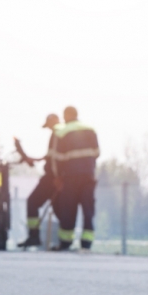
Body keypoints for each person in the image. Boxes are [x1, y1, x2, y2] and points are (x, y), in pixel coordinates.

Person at [50, 106, 99, 250]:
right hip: (88, 176)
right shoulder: (91, 129)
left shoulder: (61, 132)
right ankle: (86, 243)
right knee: (88, 209)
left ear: (65, 116)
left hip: (70, 177)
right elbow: (96, 153)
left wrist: (58, 177)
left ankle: (66, 242)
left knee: (68, 209)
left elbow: (57, 158)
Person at [17, 113, 61, 248]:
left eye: (49, 125)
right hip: (55, 177)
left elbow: (55, 159)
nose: (48, 128)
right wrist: (33, 159)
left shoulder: (57, 134)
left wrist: (57, 176)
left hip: (52, 178)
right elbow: (49, 157)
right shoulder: (57, 135)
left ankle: (34, 236)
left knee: (32, 202)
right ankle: (63, 241)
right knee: (59, 208)